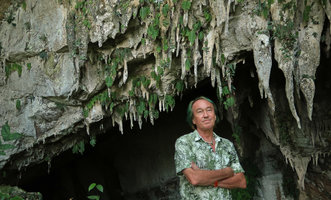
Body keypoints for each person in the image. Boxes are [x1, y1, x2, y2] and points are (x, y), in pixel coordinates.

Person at [174, 96, 246, 200]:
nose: (206, 115)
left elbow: (241, 182)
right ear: (193, 119)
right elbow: (195, 179)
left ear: (215, 116)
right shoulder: (184, 143)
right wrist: (227, 172)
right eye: (199, 111)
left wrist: (210, 180)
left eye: (209, 110)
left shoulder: (227, 145)